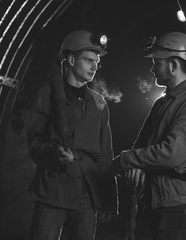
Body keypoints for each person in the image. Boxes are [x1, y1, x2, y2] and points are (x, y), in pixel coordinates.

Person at [111, 32, 186, 240]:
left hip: (177, 204)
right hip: (155, 198)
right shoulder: (162, 103)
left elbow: (171, 153)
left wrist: (126, 160)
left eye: (156, 63)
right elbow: (142, 144)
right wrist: (137, 164)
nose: (152, 69)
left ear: (172, 66)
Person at [27, 29, 118, 240]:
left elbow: (105, 154)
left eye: (96, 61)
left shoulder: (98, 102)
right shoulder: (47, 95)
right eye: (88, 60)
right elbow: (35, 143)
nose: (95, 66)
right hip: (53, 191)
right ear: (70, 59)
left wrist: (107, 199)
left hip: (86, 193)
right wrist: (54, 154)